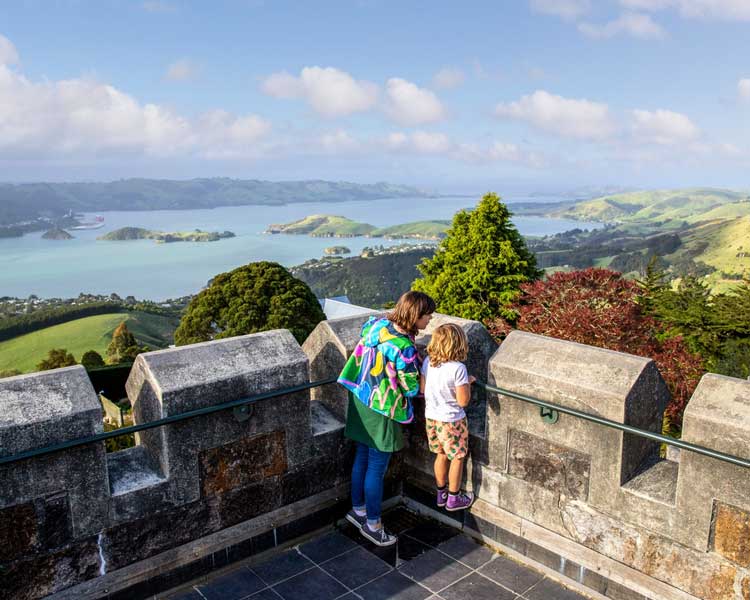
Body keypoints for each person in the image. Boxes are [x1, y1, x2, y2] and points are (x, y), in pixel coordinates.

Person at [338, 290, 436, 546]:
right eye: (427, 316)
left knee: (362, 456)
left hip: (360, 399)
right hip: (383, 408)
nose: (429, 321)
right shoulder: (403, 348)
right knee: (376, 467)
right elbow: (413, 389)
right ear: (415, 315)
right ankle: (373, 525)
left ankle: (357, 510)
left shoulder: (376, 325)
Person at [420, 323, 475, 511]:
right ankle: (454, 498)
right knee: (458, 457)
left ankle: (441, 493)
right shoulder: (458, 368)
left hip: (431, 417)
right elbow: (463, 401)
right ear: (459, 344)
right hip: (452, 420)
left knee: (441, 454)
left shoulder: (428, 362)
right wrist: (467, 383)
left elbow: (422, 389)